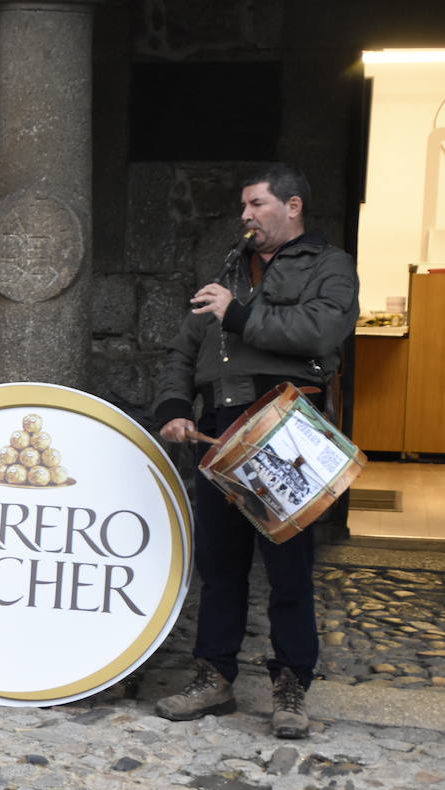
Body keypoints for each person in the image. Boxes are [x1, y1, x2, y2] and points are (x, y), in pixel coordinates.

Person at [152, 164, 359, 740]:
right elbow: (184, 347)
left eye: (256, 204)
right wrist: (173, 404)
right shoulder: (228, 270)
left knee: (288, 570)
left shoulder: (329, 266)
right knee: (220, 565)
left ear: (292, 207)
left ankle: (292, 684)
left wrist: (237, 313)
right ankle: (213, 677)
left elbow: (319, 333)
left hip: (287, 429)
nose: (245, 216)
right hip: (223, 423)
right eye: (244, 207)